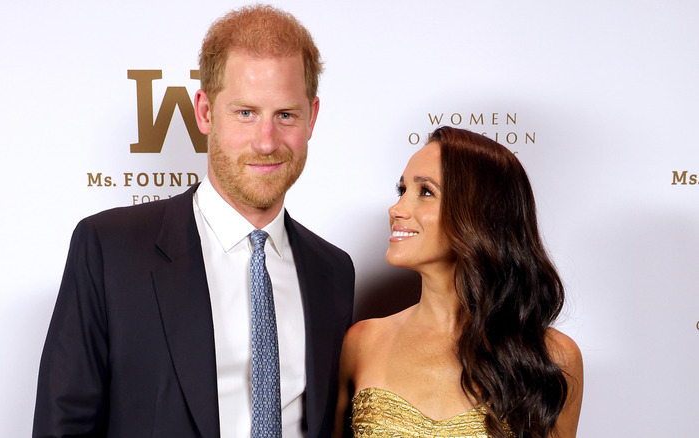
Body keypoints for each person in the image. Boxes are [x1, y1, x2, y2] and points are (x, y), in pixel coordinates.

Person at [33, 5, 354, 438]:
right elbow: (62, 426)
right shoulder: (110, 250)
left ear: (312, 117)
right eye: (245, 113)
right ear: (204, 111)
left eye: (286, 115)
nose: (266, 141)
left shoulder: (332, 271)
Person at [334, 126, 583, 438]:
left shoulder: (553, 356)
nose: (396, 209)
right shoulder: (362, 343)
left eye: (425, 192)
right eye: (402, 191)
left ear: (479, 213)